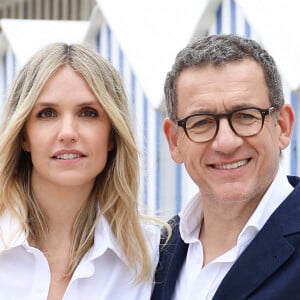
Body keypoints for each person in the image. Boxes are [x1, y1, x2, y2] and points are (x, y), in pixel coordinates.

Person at [0, 42, 161, 300]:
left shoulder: (152, 255)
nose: (67, 133)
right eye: (47, 113)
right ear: (23, 136)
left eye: (88, 113)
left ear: (112, 135)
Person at [151, 34, 300, 300]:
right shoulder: (156, 253)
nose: (226, 142)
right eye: (202, 122)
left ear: (283, 126)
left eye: (245, 116)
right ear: (174, 141)